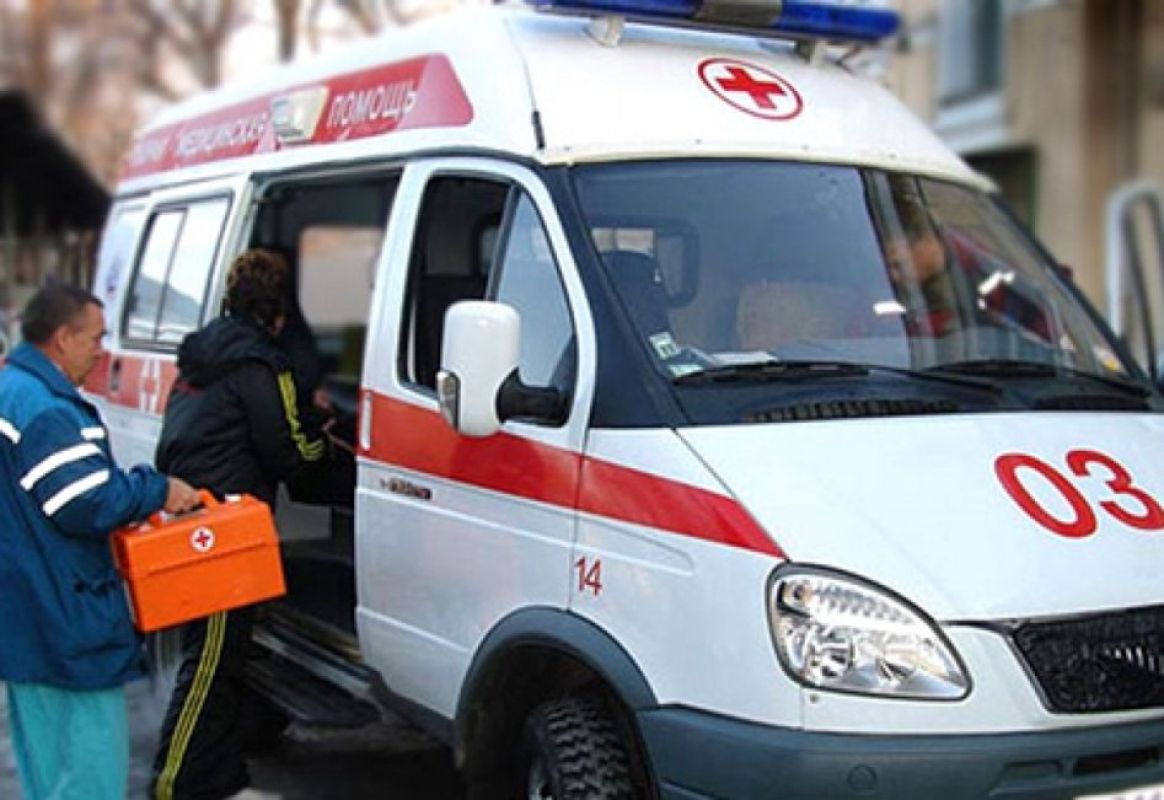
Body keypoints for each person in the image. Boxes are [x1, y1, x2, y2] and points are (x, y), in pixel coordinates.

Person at [0, 283, 201, 800]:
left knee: (46, 770)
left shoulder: (11, 390)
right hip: (65, 617)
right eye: (95, 338)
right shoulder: (45, 409)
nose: (101, 351)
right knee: (90, 772)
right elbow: (84, 501)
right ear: (63, 338)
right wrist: (157, 489)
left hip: (25, 616)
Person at [151, 249, 328, 800]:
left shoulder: (202, 354)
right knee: (210, 663)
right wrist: (327, 447)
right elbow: (287, 451)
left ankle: (219, 778)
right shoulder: (264, 364)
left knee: (223, 659)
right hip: (227, 527)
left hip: (193, 514)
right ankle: (175, 781)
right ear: (277, 314)